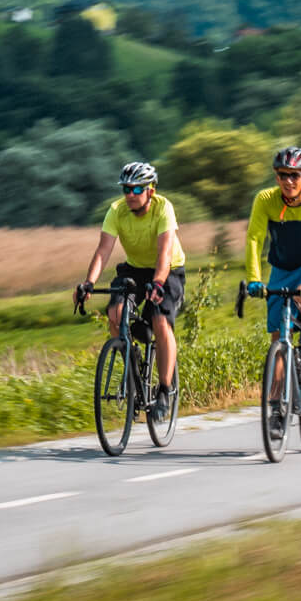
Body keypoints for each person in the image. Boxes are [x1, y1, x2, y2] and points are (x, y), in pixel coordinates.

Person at [75, 161, 185, 421]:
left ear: (151, 190)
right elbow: (104, 250)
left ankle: (163, 391)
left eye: (137, 190)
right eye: (127, 189)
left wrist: (158, 283)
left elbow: (165, 253)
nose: (130, 195)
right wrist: (88, 283)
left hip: (168, 269)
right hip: (134, 268)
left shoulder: (163, 208)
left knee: (160, 319)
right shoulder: (116, 210)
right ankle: (131, 365)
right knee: (115, 313)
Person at [242, 146, 301, 389]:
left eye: (294, 175)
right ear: (276, 177)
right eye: (282, 175)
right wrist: (254, 279)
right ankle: (275, 410)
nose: (288, 181)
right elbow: (254, 239)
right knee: (278, 338)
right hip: (282, 269)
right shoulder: (265, 200)